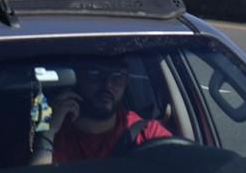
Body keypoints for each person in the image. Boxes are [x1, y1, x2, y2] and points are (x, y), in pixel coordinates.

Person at [31, 57, 174, 165]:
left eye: (117, 76)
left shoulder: (146, 133)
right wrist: (47, 133)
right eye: (94, 74)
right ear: (76, 78)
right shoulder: (51, 132)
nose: (107, 84)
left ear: (126, 83)